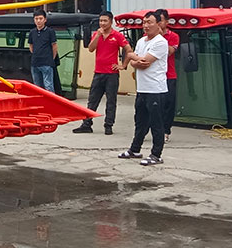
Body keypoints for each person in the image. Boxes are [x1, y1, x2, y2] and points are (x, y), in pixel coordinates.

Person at [118, 11, 168, 166]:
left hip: (156, 89)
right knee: (140, 121)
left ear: (158, 24)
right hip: (142, 89)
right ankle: (135, 149)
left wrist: (134, 57)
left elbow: (145, 62)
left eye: (149, 22)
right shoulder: (141, 41)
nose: (146, 26)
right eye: (144, 22)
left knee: (156, 123)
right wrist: (135, 58)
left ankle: (156, 154)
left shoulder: (160, 42)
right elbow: (135, 62)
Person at [74, 11, 128, 135]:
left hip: (111, 74)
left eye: (105, 21)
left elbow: (127, 49)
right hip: (98, 72)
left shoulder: (117, 35)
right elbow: (91, 48)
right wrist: (98, 36)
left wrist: (123, 65)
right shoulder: (96, 34)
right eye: (100, 21)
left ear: (111, 21)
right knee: (92, 100)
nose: (102, 23)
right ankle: (86, 124)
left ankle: (108, 125)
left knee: (111, 101)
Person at [155, 9, 180, 142]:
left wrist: (160, 38)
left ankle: (166, 131)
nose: (158, 24)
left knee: (168, 104)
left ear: (166, 21)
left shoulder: (173, 36)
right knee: (154, 104)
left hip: (169, 75)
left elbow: (169, 52)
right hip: (155, 75)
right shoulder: (149, 36)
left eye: (160, 21)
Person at [28, 9, 58, 93]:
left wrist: (51, 58)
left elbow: (54, 46)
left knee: (48, 86)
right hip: (35, 63)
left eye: (40, 18)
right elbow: (31, 45)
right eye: (36, 19)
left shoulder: (50, 32)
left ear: (45, 20)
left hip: (47, 63)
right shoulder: (32, 32)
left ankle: (51, 104)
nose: (38, 21)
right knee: (37, 87)